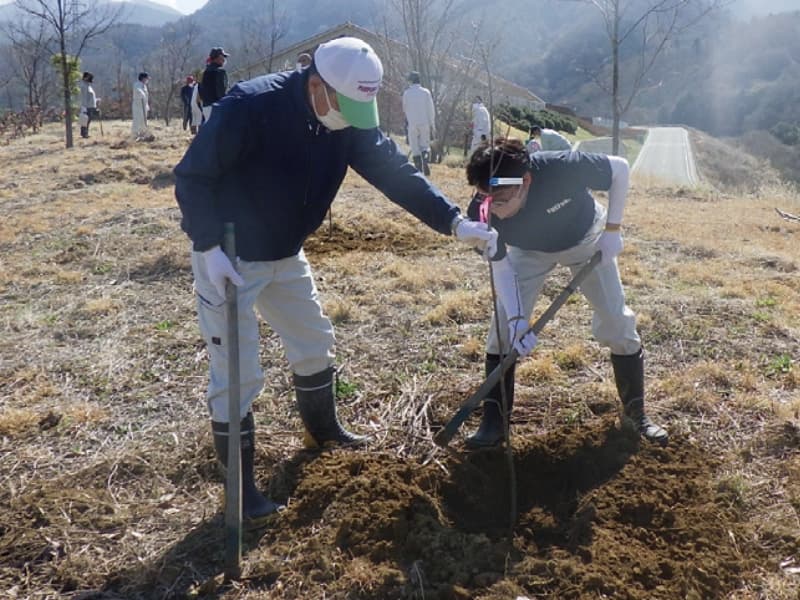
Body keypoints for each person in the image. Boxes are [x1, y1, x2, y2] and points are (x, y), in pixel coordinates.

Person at [173, 36, 498, 523]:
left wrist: (454, 221)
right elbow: (192, 176)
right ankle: (241, 493)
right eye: (343, 104)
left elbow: (396, 173)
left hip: (285, 250)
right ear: (316, 82)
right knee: (237, 373)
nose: (349, 117)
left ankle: (322, 431)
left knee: (314, 341)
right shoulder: (249, 106)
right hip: (231, 255)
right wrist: (207, 245)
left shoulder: (345, 121)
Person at [463, 137, 668, 449]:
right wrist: (519, 320)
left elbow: (620, 169)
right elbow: (502, 266)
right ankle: (494, 424)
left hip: (584, 239)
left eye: (502, 199)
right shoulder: (481, 211)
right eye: (486, 198)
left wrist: (612, 230)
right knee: (502, 329)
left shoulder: (559, 167)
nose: (495, 209)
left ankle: (635, 415)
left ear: (525, 182)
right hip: (526, 251)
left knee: (617, 322)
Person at [402, 71, 436, 176]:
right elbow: (431, 109)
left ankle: (418, 169)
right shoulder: (426, 92)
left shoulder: (407, 93)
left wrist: (408, 119)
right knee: (425, 146)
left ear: (411, 81)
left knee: (414, 147)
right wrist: (432, 124)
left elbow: (404, 108)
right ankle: (425, 159)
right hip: (424, 122)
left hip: (412, 123)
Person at [199, 47, 229, 123]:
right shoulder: (220, 72)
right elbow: (221, 92)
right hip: (217, 108)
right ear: (217, 58)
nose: (224, 59)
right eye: (223, 57)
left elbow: (201, 91)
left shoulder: (205, 72)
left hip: (206, 107)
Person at [79, 72, 98, 139]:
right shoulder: (83, 86)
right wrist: (84, 107)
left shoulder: (88, 85)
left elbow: (90, 96)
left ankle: (85, 133)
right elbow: (84, 97)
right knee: (85, 120)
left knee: (88, 120)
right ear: (85, 77)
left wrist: (96, 100)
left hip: (91, 106)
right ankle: (84, 134)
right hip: (87, 107)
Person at [131, 72, 150, 139]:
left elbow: (146, 97)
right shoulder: (137, 84)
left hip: (144, 106)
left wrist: (147, 105)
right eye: (146, 78)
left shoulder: (145, 86)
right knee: (137, 120)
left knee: (143, 121)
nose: (147, 80)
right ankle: (135, 135)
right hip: (138, 106)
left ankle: (143, 134)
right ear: (143, 78)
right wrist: (141, 93)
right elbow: (138, 90)